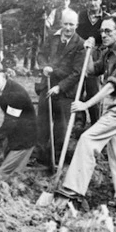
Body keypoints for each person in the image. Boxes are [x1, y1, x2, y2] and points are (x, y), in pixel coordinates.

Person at [57, 16, 116, 211]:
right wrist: (86, 51)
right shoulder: (108, 52)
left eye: (108, 31)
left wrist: (86, 105)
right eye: (101, 31)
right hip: (112, 105)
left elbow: (111, 85)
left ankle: (72, 192)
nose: (103, 34)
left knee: (87, 139)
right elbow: (92, 70)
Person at [36, 9, 86, 167]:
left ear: (76, 25)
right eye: (65, 24)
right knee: (42, 122)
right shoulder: (52, 37)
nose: (68, 28)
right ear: (61, 23)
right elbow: (41, 55)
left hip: (65, 90)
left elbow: (77, 73)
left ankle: (57, 159)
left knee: (61, 126)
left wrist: (60, 87)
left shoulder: (80, 44)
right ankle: (41, 157)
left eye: (72, 24)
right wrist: (44, 66)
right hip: (48, 84)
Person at [0, 67, 37, 179]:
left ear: (4, 76)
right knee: (9, 172)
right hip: (13, 135)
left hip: (25, 139)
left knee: (3, 174)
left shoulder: (16, 95)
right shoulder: (3, 89)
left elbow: (10, 123)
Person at [76, 0, 108, 126]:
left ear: (100, 1)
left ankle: (95, 123)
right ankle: (78, 122)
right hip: (80, 54)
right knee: (78, 89)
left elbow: (109, 38)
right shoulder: (81, 16)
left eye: (95, 0)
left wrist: (96, 41)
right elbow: (75, 35)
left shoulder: (106, 18)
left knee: (93, 91)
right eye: (90, 0)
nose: (92, 3)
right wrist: (84, 43)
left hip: (97, 57)